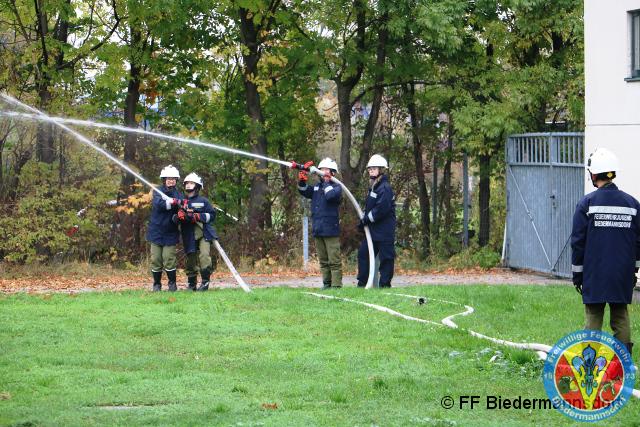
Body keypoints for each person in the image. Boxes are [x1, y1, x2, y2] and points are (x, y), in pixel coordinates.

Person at [571, 147, 640, 357]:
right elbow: (638, 243)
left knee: (593, 316)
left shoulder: (587, 204)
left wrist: (578, 275)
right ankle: (624, 362)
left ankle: (589, 362)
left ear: (593, 175)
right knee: (620, 316)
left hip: (595, 273)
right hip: (621, 273)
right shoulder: (633, 205)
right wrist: (633, 271)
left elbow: (578, 242)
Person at [298, 158, 344, 289]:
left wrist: (327, 182)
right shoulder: (317, 187)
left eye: (325, 169)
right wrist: (302, 180)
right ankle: (326, 284)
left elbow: (330, 196)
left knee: (334, 260)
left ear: (332, 172)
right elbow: (304, 190)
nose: (322, 172)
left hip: (330, 230)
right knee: (323, 260)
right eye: (321, 169)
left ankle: (336, 286)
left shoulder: (337, 187)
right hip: (318, 229)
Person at [356, 154, 396, 288]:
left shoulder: (384, 188)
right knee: (363, 254)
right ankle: (362, 283)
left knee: (386, 259)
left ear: (381, 170)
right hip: (373, 231)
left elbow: (380, 210)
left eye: (373, 168)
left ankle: (385, 285)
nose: (370, 171)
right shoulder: (374, 186)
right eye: (369, 169)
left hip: (384, 231)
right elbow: (370, 207)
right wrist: (364, 221)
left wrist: (366, 220)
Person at [176, 172, 218, 291]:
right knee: (190, 259)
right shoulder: (181, 202)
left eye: (191, 183)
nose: (188, 185)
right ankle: (192, 284)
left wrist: (198, 216)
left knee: (204, 256)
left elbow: (212, 215)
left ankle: (205, 283)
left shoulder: (203, 201)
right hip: (188, 234)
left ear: (198, 186)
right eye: (187, 183)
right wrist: (180, 216)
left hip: (204, 233)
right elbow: (175, 219)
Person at [147, 165, 183, 292]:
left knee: (169, 259)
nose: (171, 181)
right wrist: (172, 203)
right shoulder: (157, 191)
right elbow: (158, 204)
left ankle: (172, 284)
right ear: (164, 179)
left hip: (170, 232)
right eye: (168, 178)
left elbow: (181, 207)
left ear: (176, 180)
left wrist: (179, 213)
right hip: (156, 231)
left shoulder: (179, 194)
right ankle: (156, 284)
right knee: (156, 259)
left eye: (173, 179)